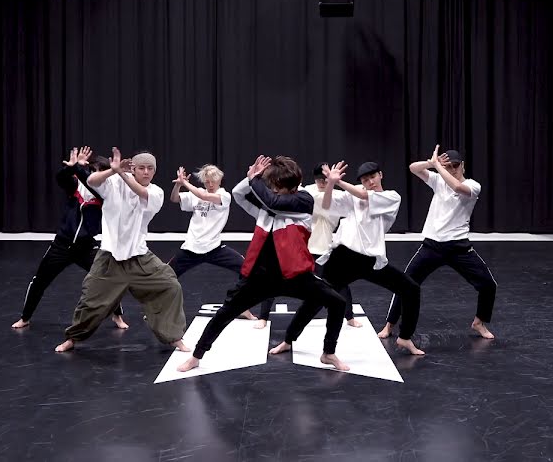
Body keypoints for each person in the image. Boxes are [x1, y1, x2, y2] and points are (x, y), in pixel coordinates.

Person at [177, 155, 349, 372]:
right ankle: (196, 356)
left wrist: (255, 180)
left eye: (276, 185)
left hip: (295, 275)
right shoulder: (266, 207)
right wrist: (251, 176)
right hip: (260, 277)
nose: (273, 189)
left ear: (290, 185)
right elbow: (239, 194)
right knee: (225, 312)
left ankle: (328, 352)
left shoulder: (303, 200)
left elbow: (274, 203)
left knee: (337, 302)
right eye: (272, 185)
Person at [269, 160, 424, 356]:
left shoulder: (391, 197)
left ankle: (405, 336)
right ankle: (288, 339)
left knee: (410, 289)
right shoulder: (353, 195)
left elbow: (364, 195)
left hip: (370, 260)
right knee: (316, 299)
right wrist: (331, 184)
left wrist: (338, 182)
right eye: (365, 180)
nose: (370, 182)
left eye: (373, 177)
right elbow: (327, 205)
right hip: (343, 258)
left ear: (381, 175)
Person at [55, 148, 189, 352]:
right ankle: (73, 338)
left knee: (171, 286)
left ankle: (173, 337)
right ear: (133, 169)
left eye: (150, 168)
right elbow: (91, 181)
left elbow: (141, 192)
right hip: (109, 257)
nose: (146, 172)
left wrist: (120, 173)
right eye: (141, 168)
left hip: (139, 257)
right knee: (90, 301)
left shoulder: (156, 192)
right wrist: (113, 171)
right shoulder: (115, 182)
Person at [378, 146, 498, 340]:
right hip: (432, 246)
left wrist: (439, 168)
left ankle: (479, 322)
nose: (452, 169)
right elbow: (413, 168)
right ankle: (389, 325)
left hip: (459, 247)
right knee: (405, 283)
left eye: (455, 166)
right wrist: (431, 163)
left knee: (488, 285)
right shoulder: (438, 181)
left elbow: (457, 187)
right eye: (448, 166)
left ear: (463, 166)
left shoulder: (473, 185)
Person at [11, 146, 127, 330]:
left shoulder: (105, 193)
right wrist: (71, 168)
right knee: (39, 280)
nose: (96, 175)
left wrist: (78, 169)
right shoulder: (76, 186)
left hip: (86, 246)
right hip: (62, 245)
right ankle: (25, 317)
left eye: (101, 172)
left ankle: (117, 315)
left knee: (109, 279)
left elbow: (91, 182)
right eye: (94, 171)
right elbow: (61, 178)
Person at [255, 163, 360, 328]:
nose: (322, 183)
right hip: (300, 244)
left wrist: (335, 183)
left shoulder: (336, 196)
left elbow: (329, 203)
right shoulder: (307, 192)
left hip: (323, 246)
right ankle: (263, 317)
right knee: (274, 277)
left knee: (339, 283)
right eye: (319, 180)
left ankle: (350, 317)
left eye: (325, 180)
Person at [168, 164, 258, 321]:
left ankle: (243, 308)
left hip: (214, 248)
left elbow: (204, 197)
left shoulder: (224, 196)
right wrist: (178, 185)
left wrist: (185, 183)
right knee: (165, 275)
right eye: (207, 181)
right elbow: (174, 199)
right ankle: (158, 311)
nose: (210, 184)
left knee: (246, 270)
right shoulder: (196, 193)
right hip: (191, 248)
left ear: (220, 180)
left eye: (213, 181)